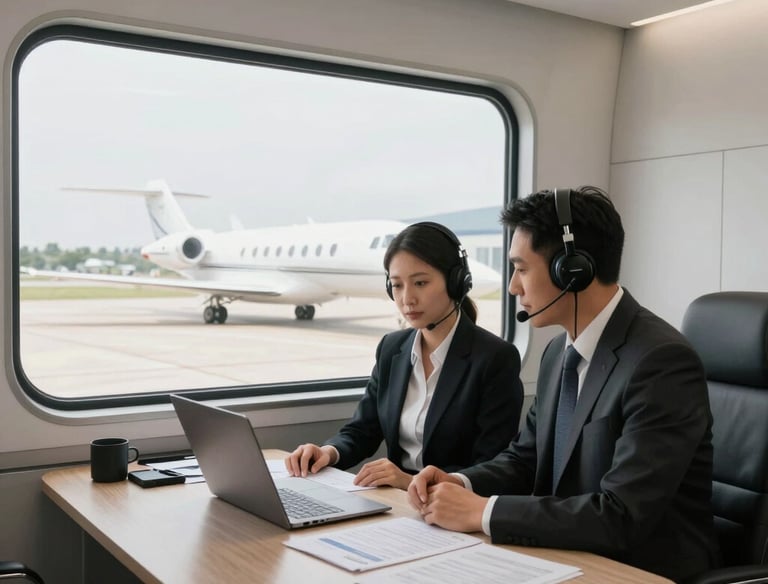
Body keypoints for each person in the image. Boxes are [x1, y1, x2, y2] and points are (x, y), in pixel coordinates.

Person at [407, 188, 718, 582]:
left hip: (639, 569)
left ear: (572, 270)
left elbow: (620, 516)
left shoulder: (661, 363)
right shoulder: (559, 353)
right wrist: (461, 482)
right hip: (567, 554)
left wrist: (479, 512)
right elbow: (524, 459)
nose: (512, 287)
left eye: (521, 269)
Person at [285, 221, 524, 490]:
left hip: (453, 506)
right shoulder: (392, 348)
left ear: (456, 282)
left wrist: (409, 481)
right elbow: (362, 430)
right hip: (397, 503)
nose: (407, 299)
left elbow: (492, 465)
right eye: (397, 285)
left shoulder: (495, 358)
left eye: (420, 283)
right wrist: (328, 452)